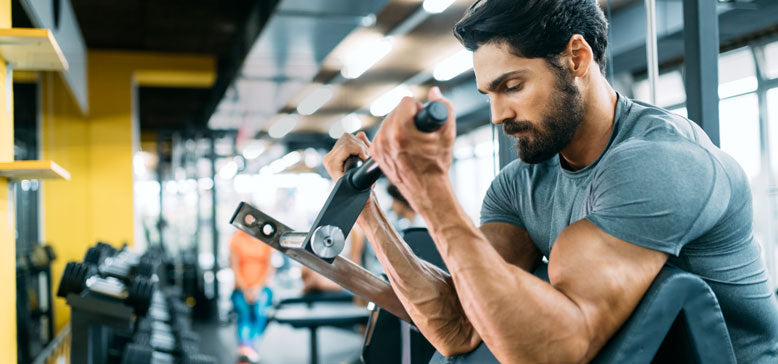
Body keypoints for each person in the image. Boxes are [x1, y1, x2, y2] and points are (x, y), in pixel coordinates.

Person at [321, 0, 778, 362]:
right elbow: (459, 327)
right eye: (489, 95)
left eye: (512, 86)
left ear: (576, 58)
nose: (499, 114)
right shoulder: (518, 186)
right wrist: (368, 212)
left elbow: (556, 353)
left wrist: (431, 188)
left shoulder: (662, 163)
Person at [229, 229, 275, 363]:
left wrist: (257, 289)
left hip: (262, 288)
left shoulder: (265, 240)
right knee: (244, 315)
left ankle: (248, 349)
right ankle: (247, 349)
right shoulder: (236, 239)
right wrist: (245, 289)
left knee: (259, 312)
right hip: (241, 288)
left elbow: (269, 267)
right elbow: (234, 266)